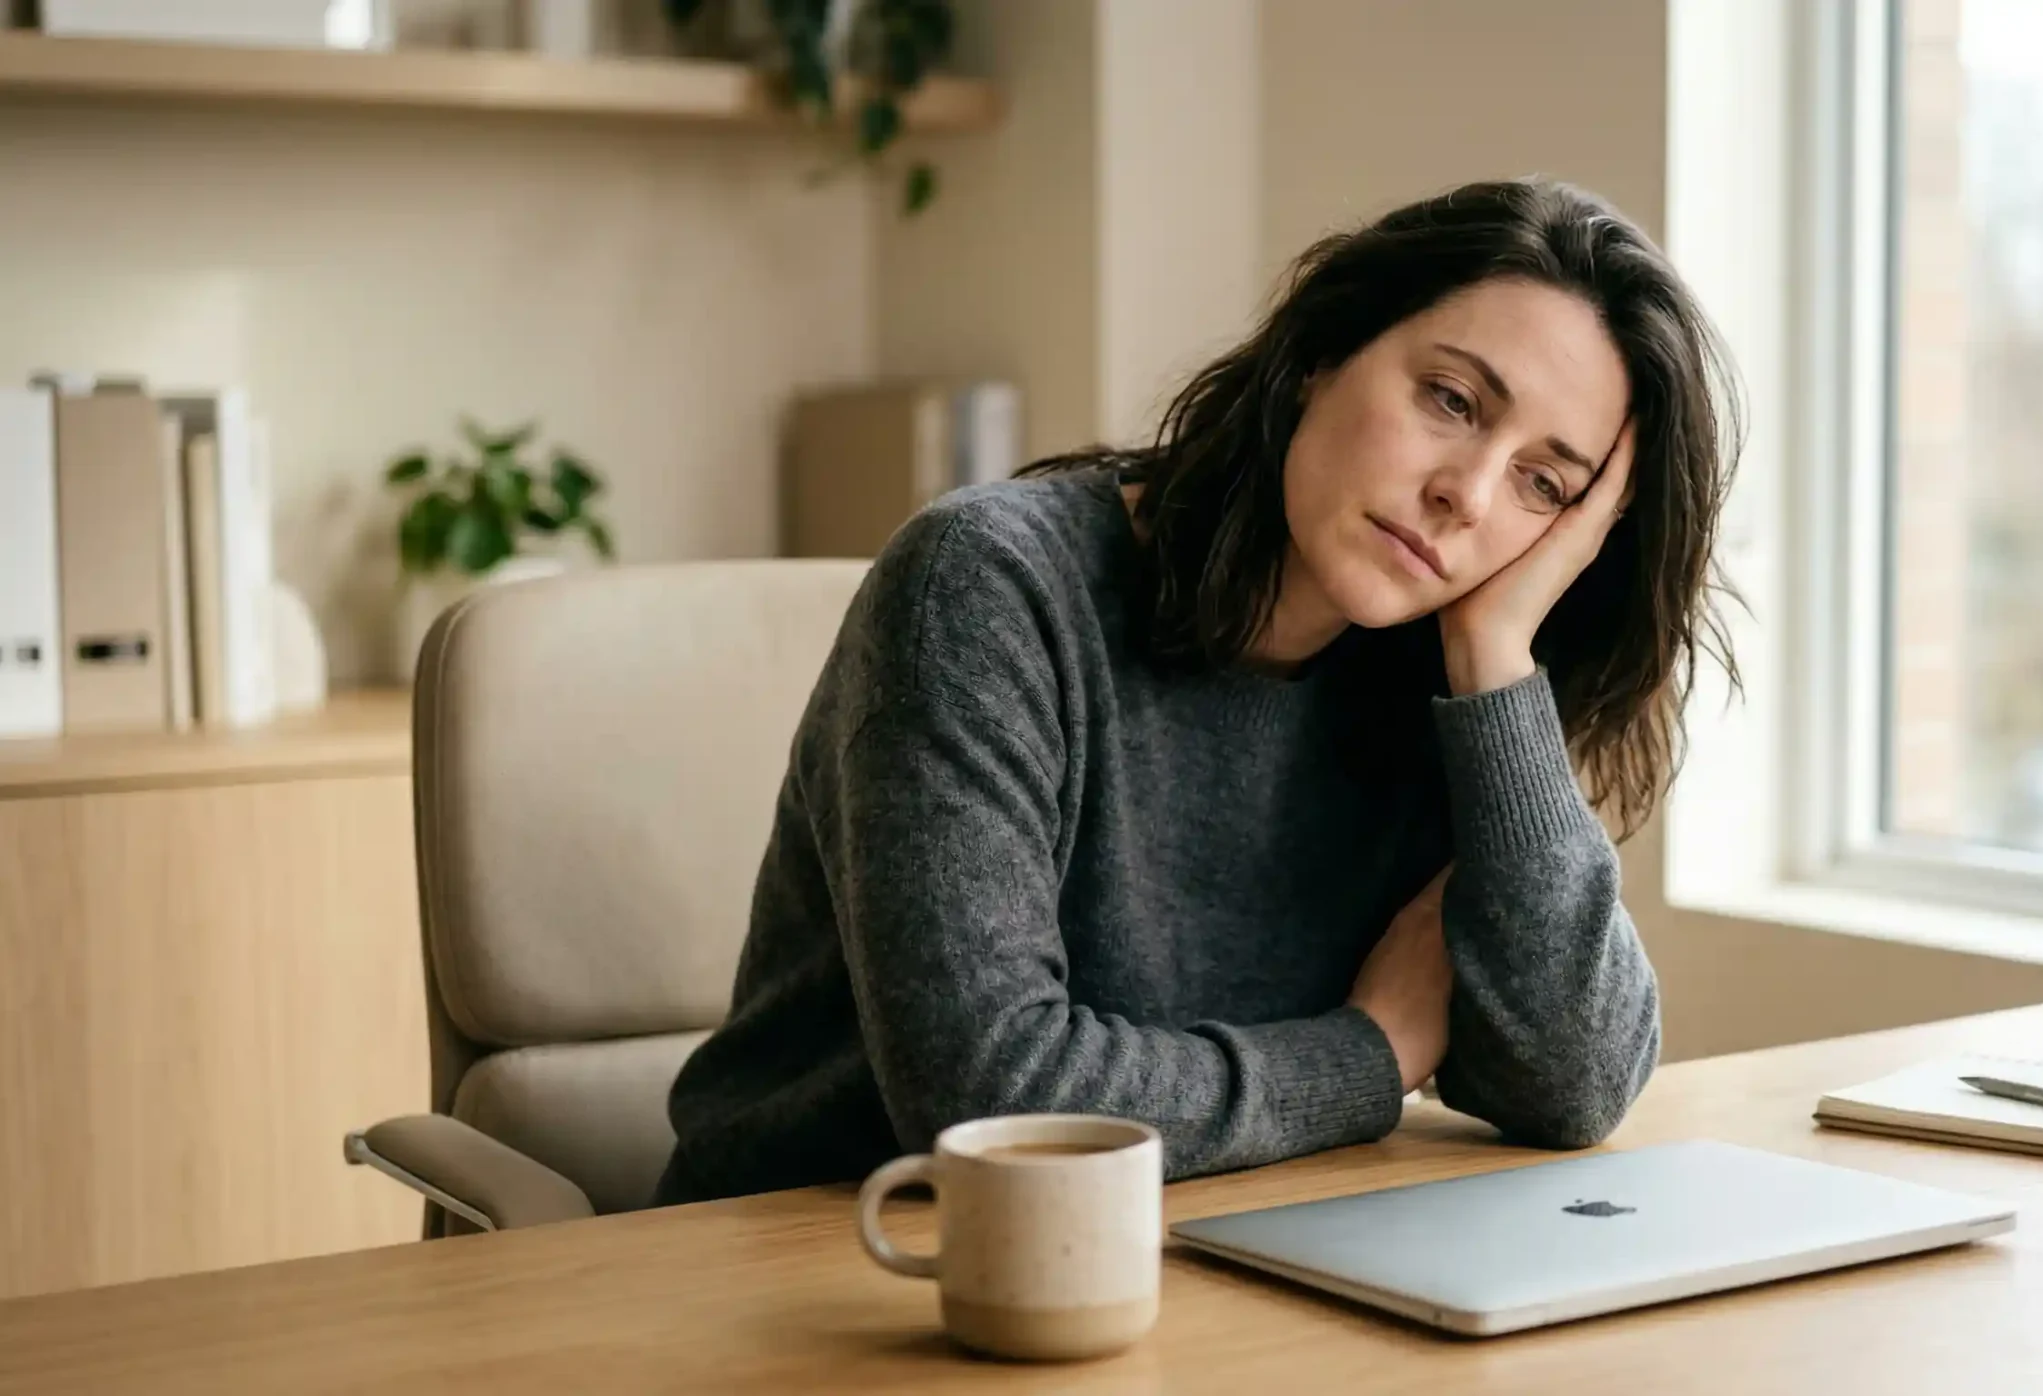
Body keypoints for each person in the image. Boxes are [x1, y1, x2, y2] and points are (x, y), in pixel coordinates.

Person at [652, 176, 1742, 1205]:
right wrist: (1373, 1055)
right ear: (1323, 350)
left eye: (1541, 483)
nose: (1465, 493)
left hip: (1201, 1248)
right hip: (832, 1249)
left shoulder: (1441, 675)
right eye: (1451, 400)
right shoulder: (986, 586)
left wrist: (1499, 660)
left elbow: (1576, 1085)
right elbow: (988, 1093)